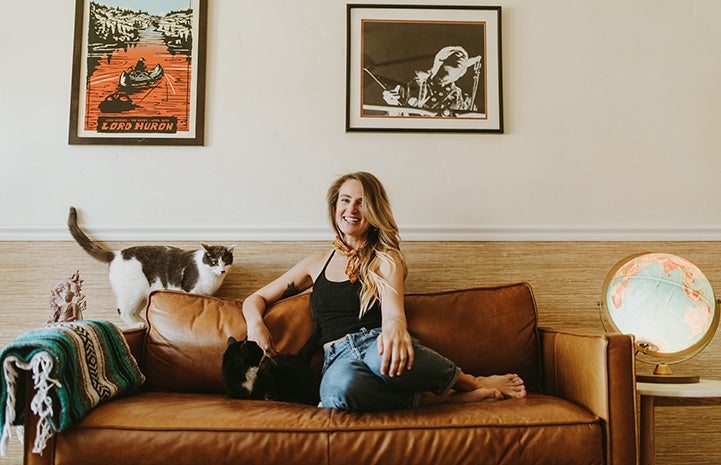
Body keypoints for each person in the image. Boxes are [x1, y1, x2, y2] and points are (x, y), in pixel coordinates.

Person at [242, 172, 526, 411]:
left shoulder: (386, 258)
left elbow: (393, 312)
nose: (351, 209)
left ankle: (473, 382)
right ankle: (443, 399)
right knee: (339, 393)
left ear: (374, 211)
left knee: (383, 358)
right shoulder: (316, 262)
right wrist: (255, 324)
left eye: (362, 203)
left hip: (378, 344)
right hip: (337, 359)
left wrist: (396, 329)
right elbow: (256, 298)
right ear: (335, 207)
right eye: (345, 200)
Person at [382, 46, 481, 117]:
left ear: (462, 72)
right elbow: (394, 123)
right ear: (440, 61)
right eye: (455, 55)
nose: (462, 57)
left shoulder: (464, 100)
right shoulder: (408, 87)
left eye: (464, 58)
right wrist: (392, 106)